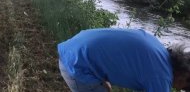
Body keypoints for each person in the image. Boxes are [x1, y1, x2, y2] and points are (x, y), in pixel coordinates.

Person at [57, 28, 190, 92]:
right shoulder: (161, 77)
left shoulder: (159, 51)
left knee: (106, 88)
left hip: (74, 48)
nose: (179, 90)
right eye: (184, 88)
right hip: (76, 65)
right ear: (184, 75)